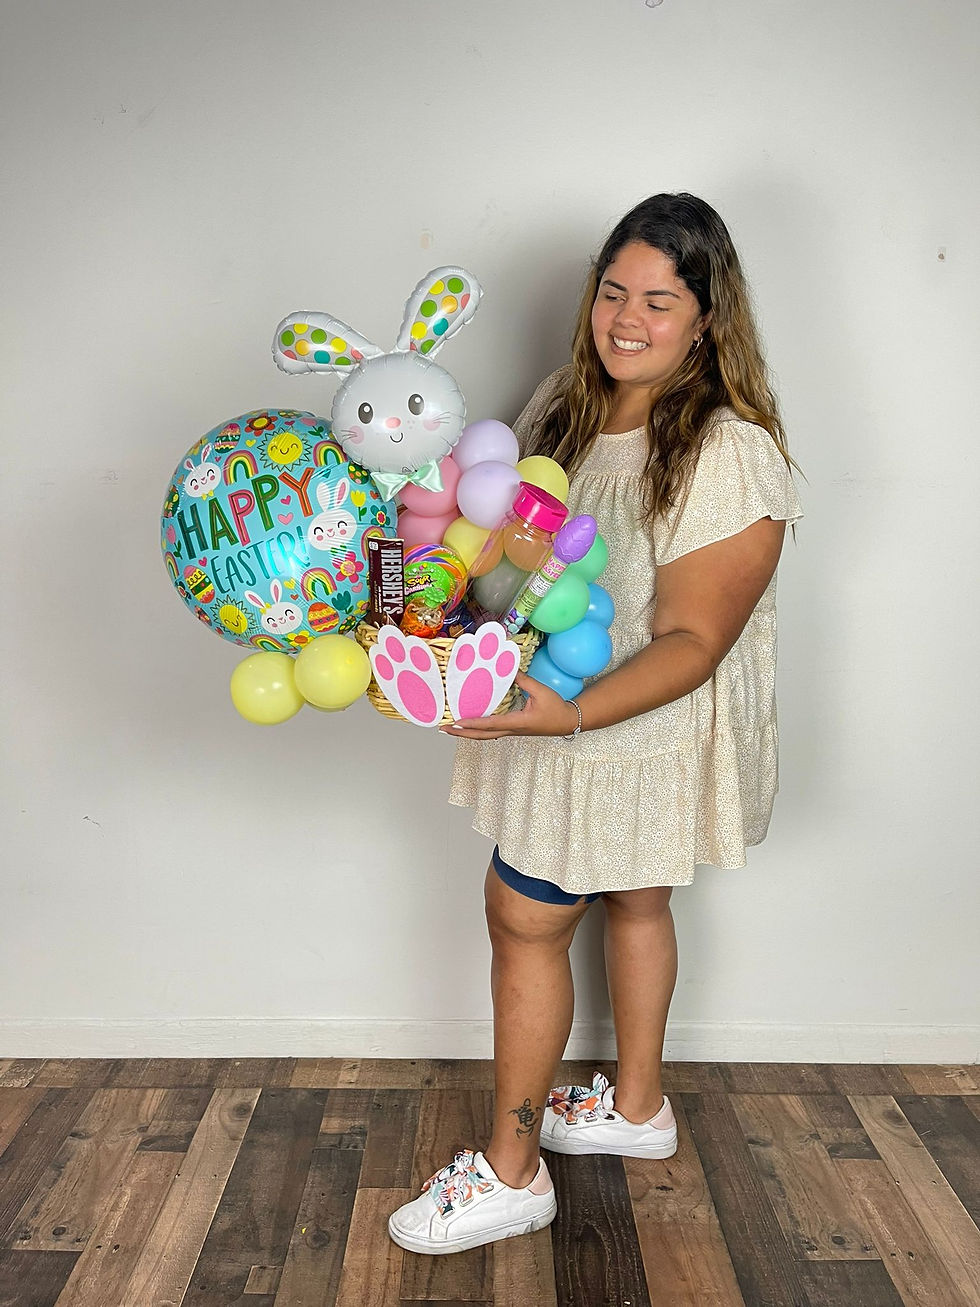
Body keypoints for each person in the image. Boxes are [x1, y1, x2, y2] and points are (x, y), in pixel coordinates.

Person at [387, 192, 803, 1256]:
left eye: (658, 301)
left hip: (624, 729)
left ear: (706, 318)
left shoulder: (725, 448)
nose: (626, 318)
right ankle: (637, 1107)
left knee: (523, 916)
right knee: (634, 897)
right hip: (556, 709)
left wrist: (564, 713)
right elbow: (491, 549)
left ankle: (512, 1171)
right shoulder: (559, 408)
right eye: (613, 291)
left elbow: (692, 641)